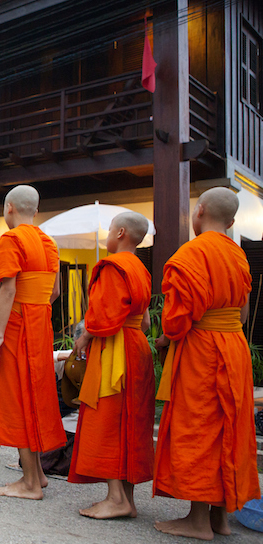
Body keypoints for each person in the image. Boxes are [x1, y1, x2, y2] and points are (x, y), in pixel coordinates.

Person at [153, 187, 260, 540]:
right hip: (234, 347)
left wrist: (166, 337)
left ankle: (197, 522)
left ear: (198, 211)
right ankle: (221, 518)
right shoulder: (238, 255)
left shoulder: (191, 254)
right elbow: (242, 313)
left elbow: (177, 321)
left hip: (203, 350)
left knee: (200, 427)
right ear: (230, 222)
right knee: (231, 426)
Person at [68, 212, 154, 519]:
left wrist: (85, 336)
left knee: (109, 419)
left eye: (108, 230)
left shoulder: (113, 266)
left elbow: (105, 317)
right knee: (132, 421)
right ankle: (127, 500)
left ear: (120, 233)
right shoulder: (142, 270)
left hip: (114, 348)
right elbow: (143, 321)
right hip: (136, 348)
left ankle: (116, 498)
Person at [0, 184, 66, 500]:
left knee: (18, 395)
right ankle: (39, 475)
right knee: (36, 394)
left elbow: (8, 289)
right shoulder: (49, 242)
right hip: (40, 323)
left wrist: (0, 334)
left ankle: (30, 482)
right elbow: (55, 292)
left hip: (18, 326)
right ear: (36, 210)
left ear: (9, 209)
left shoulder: (12, 239)